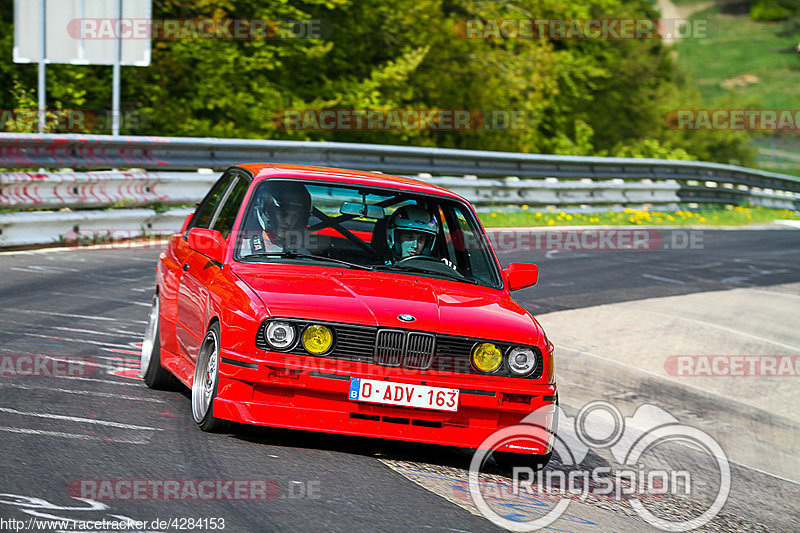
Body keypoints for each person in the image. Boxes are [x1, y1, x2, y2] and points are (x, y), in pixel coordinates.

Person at [242, 181, 312, 255]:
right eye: (283, 214)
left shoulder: (302, 256)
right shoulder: (242, 251)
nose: (288, 222)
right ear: (267, 212)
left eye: (295, 216)